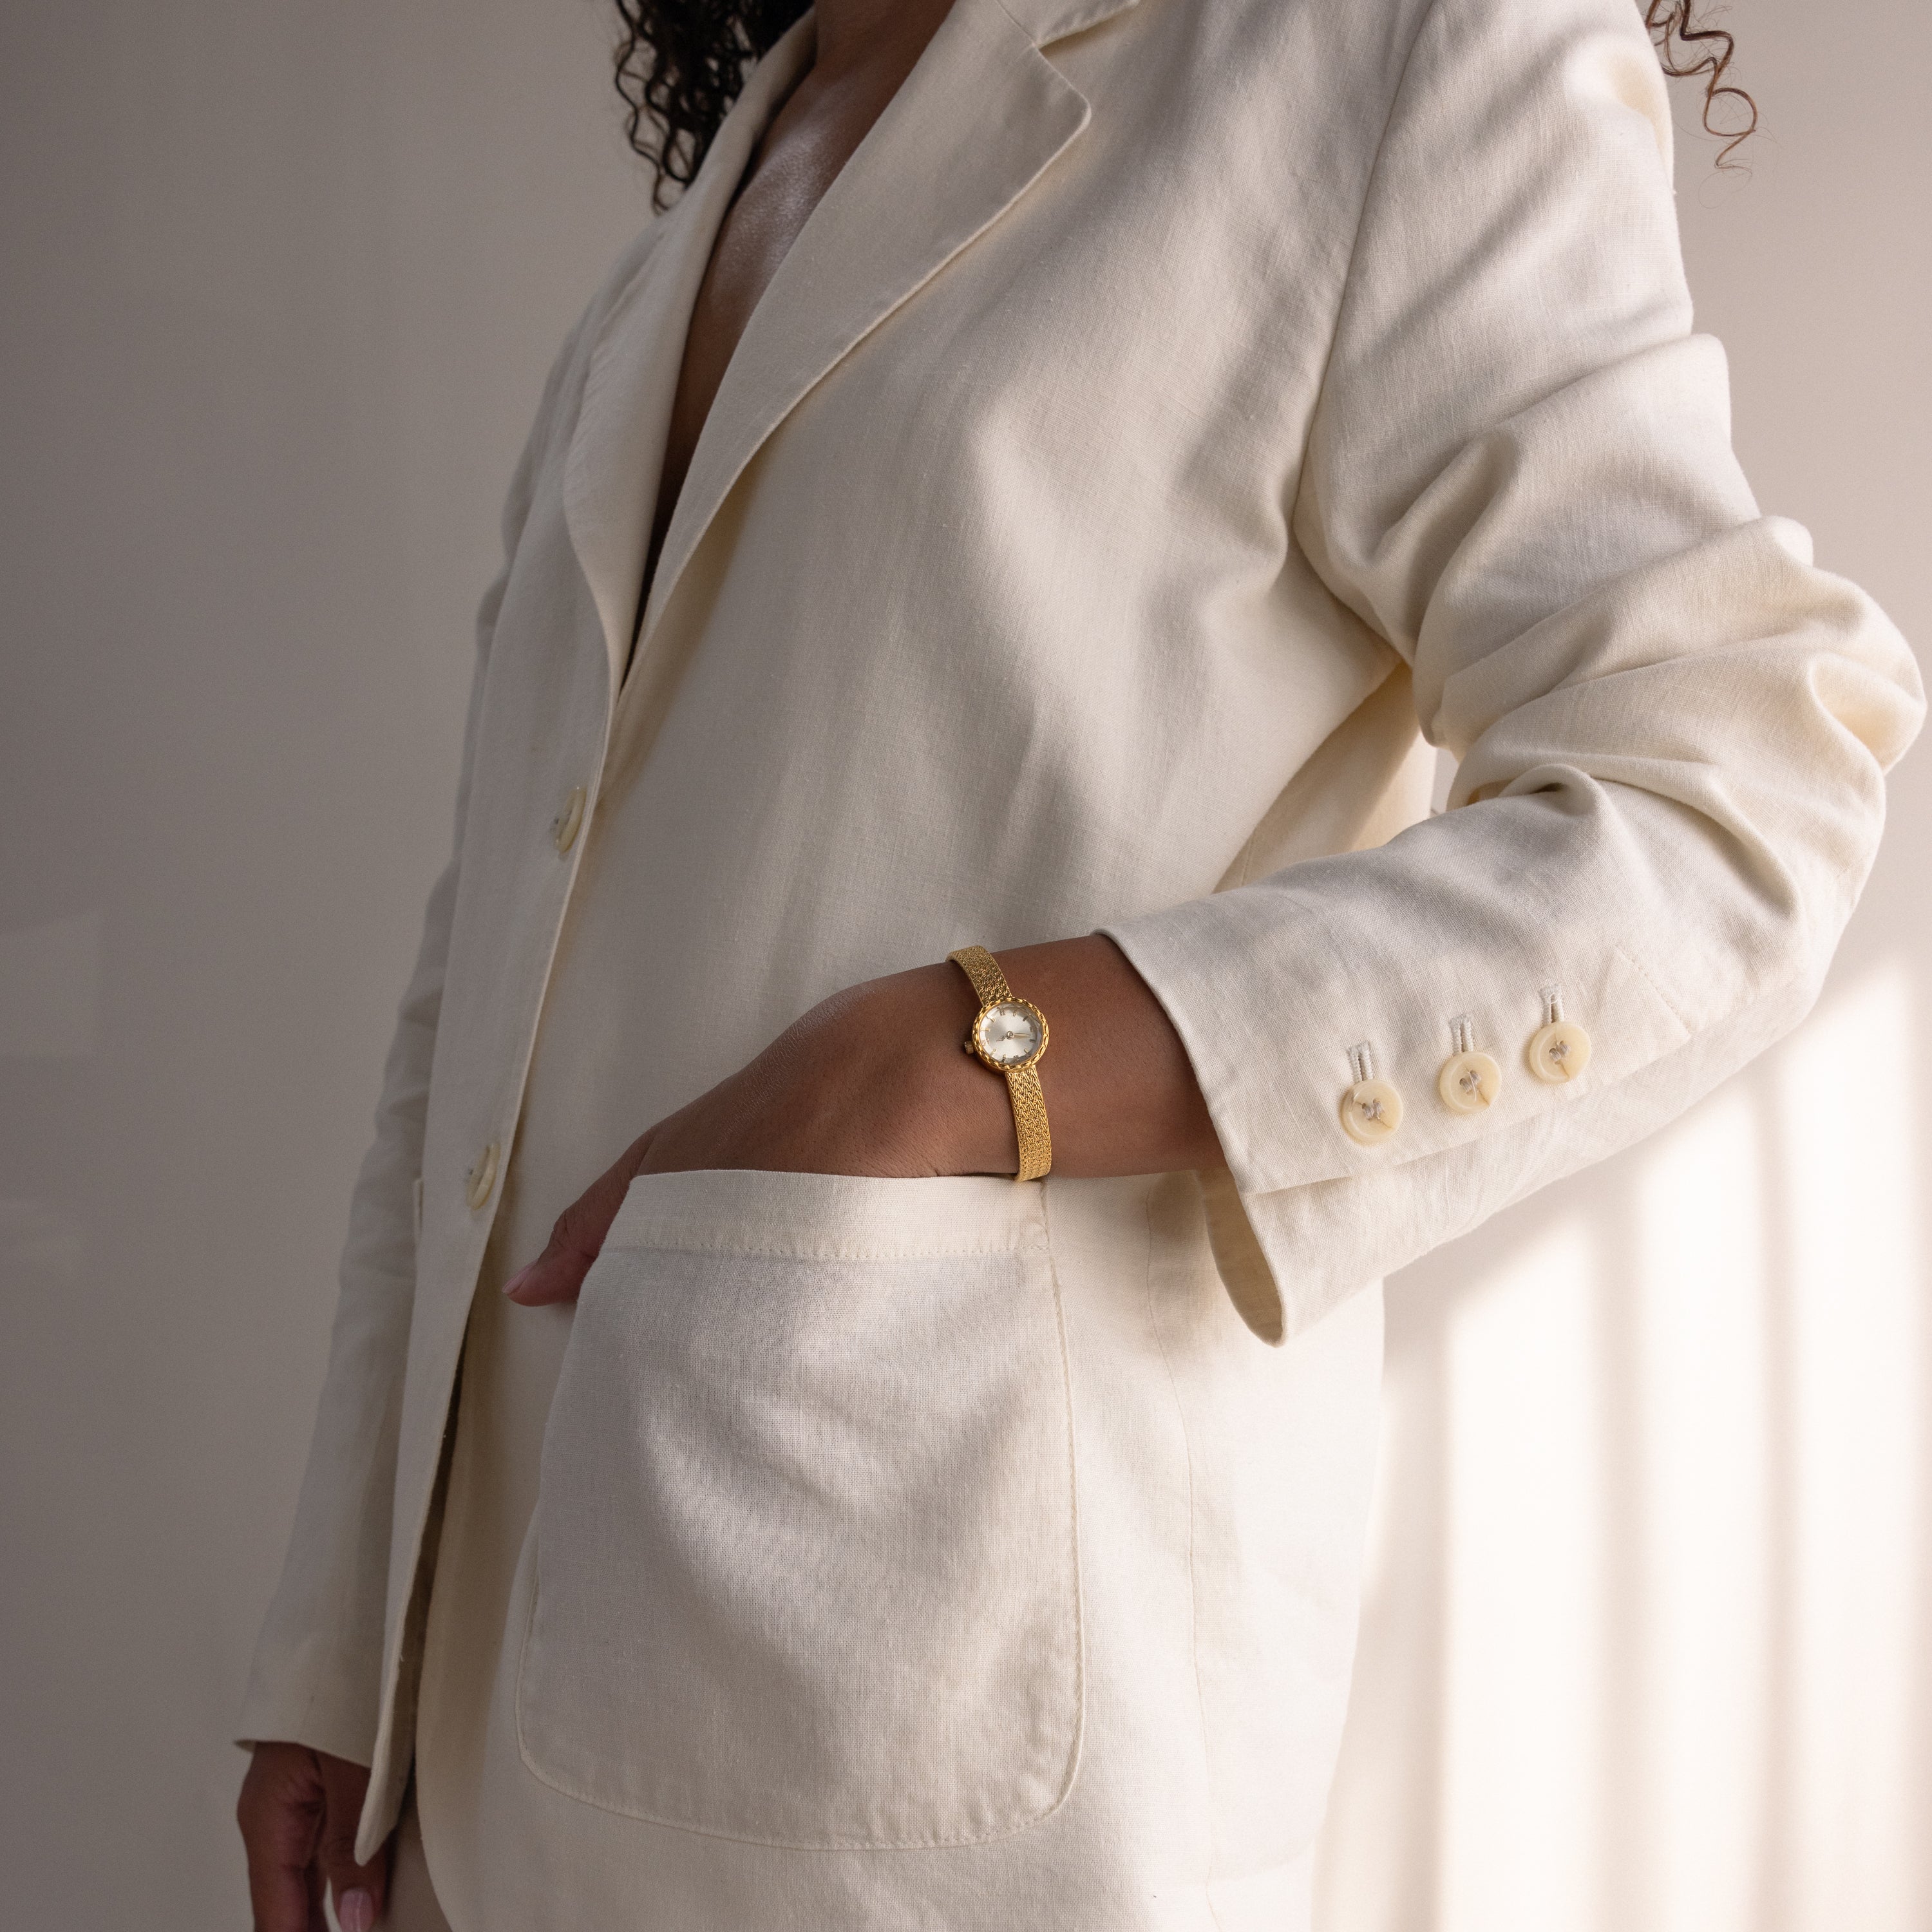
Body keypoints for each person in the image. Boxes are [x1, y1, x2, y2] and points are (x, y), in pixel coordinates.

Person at [234, 0, 1922, 1925]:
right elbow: (490, 964)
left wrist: (969, 1055)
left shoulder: (1389, 55)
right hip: (489, 1759)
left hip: (944, 1774)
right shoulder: (675, 253)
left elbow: (1728, 794)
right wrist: (345, 1639)